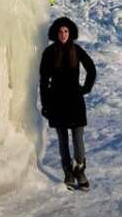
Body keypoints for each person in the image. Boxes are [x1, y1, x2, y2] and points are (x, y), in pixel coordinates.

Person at [39, 16, 96, 190]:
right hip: (57, 102)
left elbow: (91, 69)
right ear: (55, 33)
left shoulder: (77, 50)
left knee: (78, 139)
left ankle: (80, 169)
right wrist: (46, 104)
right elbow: (44, 81)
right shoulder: (49, 53)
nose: (63, 34)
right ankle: (68, 173)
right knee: (63, 140)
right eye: (60, 31)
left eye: (66, 31)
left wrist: (85, 88)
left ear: (70, 33)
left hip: (75, 101)